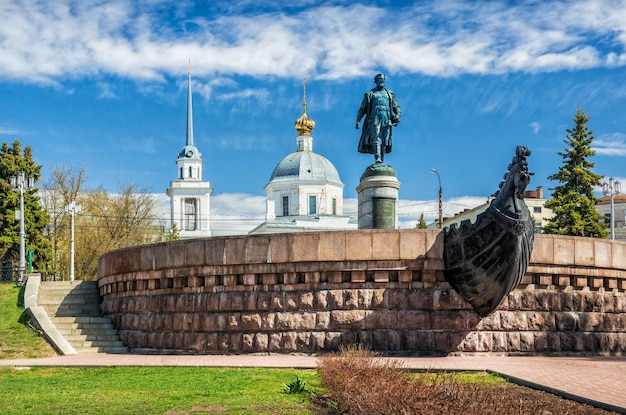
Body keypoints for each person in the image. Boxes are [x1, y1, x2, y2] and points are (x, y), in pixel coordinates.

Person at [355, 73, 401, 163]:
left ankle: (381, 160)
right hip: (374, 118)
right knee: (377, 137)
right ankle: (378, 158)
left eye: (383, 79)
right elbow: (362, 108)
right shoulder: (370, 94)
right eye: (379, 79)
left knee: (385, 140)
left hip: (386, 118)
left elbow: (396, 107)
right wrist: (358, 120)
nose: (381, 80)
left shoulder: (390, 94)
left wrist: (398, 115)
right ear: (376, 81)